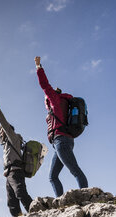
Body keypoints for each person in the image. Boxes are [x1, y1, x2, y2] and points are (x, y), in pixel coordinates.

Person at [34, 56, 88, 197]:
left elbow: (45, 85)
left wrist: (38, 67)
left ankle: (87, 196)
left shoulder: (55, 100)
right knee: (53, 176)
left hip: (61, 141)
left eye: (46, 100)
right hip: (61, 142)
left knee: (74, 169)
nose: (45, 102)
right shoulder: (63, 103)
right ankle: (60, 202)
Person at [0, 101, 33, 217]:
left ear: (8, 131)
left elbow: (4, 123)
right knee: (11, 200)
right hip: (9, 174)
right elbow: (0, 138)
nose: (1, 132)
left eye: (2, 130)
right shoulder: (6, 143)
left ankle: (35, 210)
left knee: (20, 193)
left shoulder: (13, 138)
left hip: (16, 171)